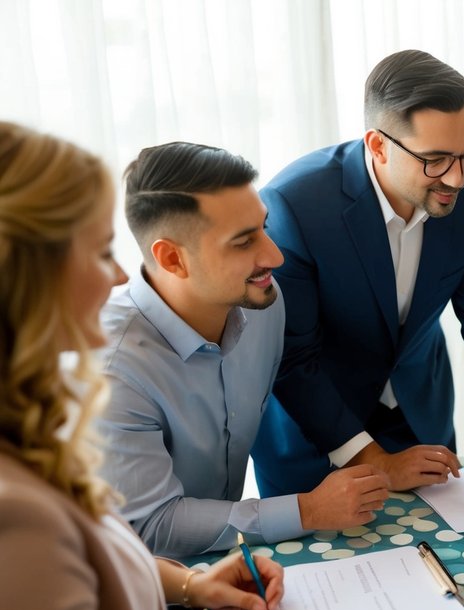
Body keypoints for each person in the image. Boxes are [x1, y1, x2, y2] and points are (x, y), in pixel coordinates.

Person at [0, 121, 402, 610]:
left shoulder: (262, 307)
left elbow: (108, 542)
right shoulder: (24, 506)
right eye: (98, 252)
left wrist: (190, 583)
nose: (119, 276)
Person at [252, 49, 464, 504]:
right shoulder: (296, 206)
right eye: (435, 159)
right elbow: (293, 359)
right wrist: (374, 461)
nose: (457, 177)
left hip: (420, 424)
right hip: (314, 441)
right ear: (377, 145)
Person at [98, 141, 390, 559]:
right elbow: (150, 527)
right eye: (242, 242)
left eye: (264, 228)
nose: (274, 256)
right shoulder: (112, 371)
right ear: (172, 259)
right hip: (135, 593)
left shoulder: (264, 304)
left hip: (229, 565)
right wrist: (307, 510)